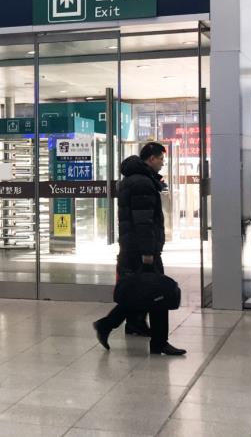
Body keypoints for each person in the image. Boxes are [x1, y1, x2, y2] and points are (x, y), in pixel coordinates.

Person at [93, 143, 186, 356]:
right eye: (161, 159)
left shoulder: (133, 180)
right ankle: (158, 342)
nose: (162, 163)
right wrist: (147, 253)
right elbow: (143, 221)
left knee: (141, 292)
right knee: (158, 293)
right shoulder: (142, 183)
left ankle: (107, 325)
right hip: (141, 250)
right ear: (151, 159)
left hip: (133, 247)